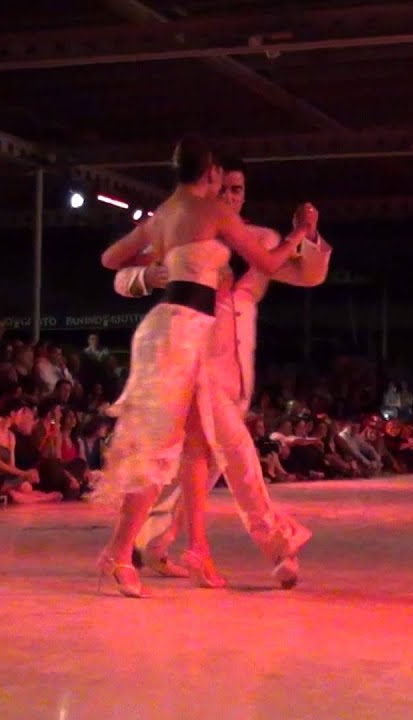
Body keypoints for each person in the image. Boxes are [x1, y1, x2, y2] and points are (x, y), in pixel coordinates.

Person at [95, 134, 309, 599]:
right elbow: (270, 262)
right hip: (181, 338)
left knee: (194, 446)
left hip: (174, 331)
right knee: (170, 449)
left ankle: (198, 550)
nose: (229, 193)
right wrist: (297, 230)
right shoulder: (213, 214)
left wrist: (163, 263)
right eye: (223, 181)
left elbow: (110, 257)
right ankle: (117, 553)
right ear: (210, 174)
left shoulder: (164, 216)